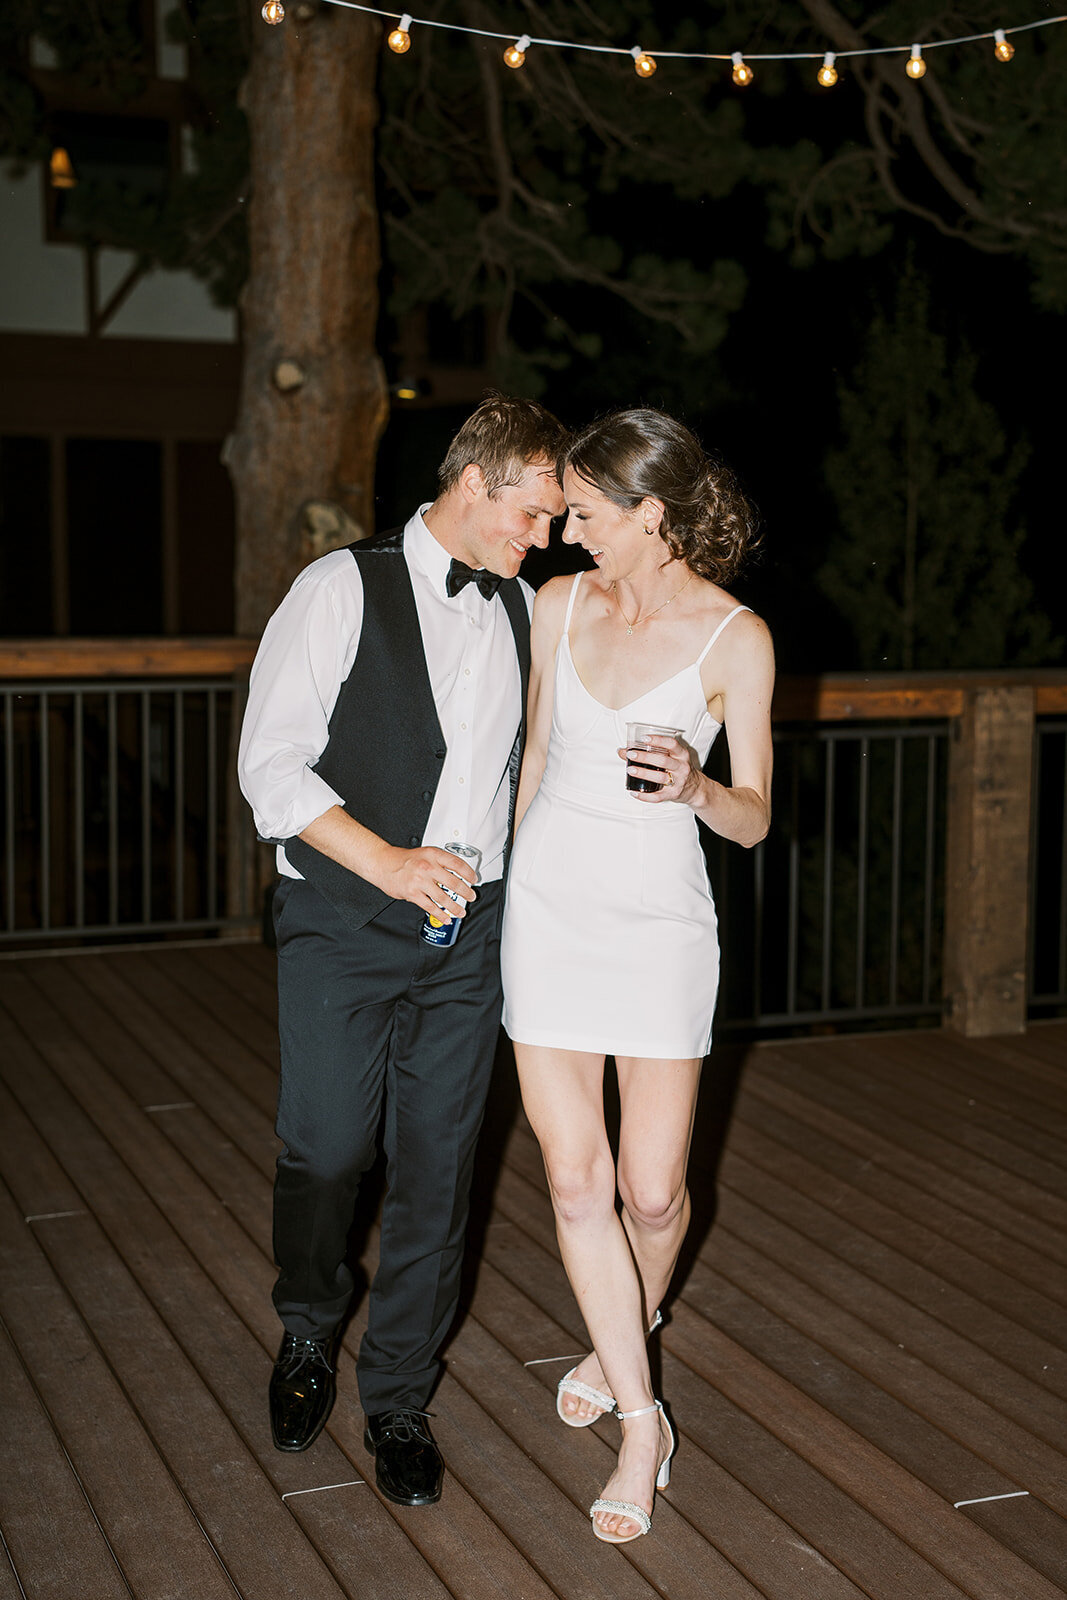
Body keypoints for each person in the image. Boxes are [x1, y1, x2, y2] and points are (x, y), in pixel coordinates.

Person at [238, 394, 568, 1507]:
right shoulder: (338, 590)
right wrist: (384, 862)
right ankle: (306, 1329)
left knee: (438, 1170)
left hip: (469, 934)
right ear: (474, 484)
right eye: (532, 512)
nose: (543, 536)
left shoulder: (525, 610)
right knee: (326, 1150)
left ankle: (397, 1396)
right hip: (342, 919)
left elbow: (526, 774)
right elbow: (271, 768)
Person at [500, 408, 773, 1543]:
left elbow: (753, 820)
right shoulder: (558, 607)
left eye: (584, 513)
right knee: (577, 1184)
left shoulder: (734, 638)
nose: (565, 532)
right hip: (549, 915)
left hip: (660, 925)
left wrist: (699, 790)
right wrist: (496, 899)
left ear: (649, 515)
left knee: (652, 1193)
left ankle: (622, 1323)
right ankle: (640, 1415)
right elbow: (526, 765)